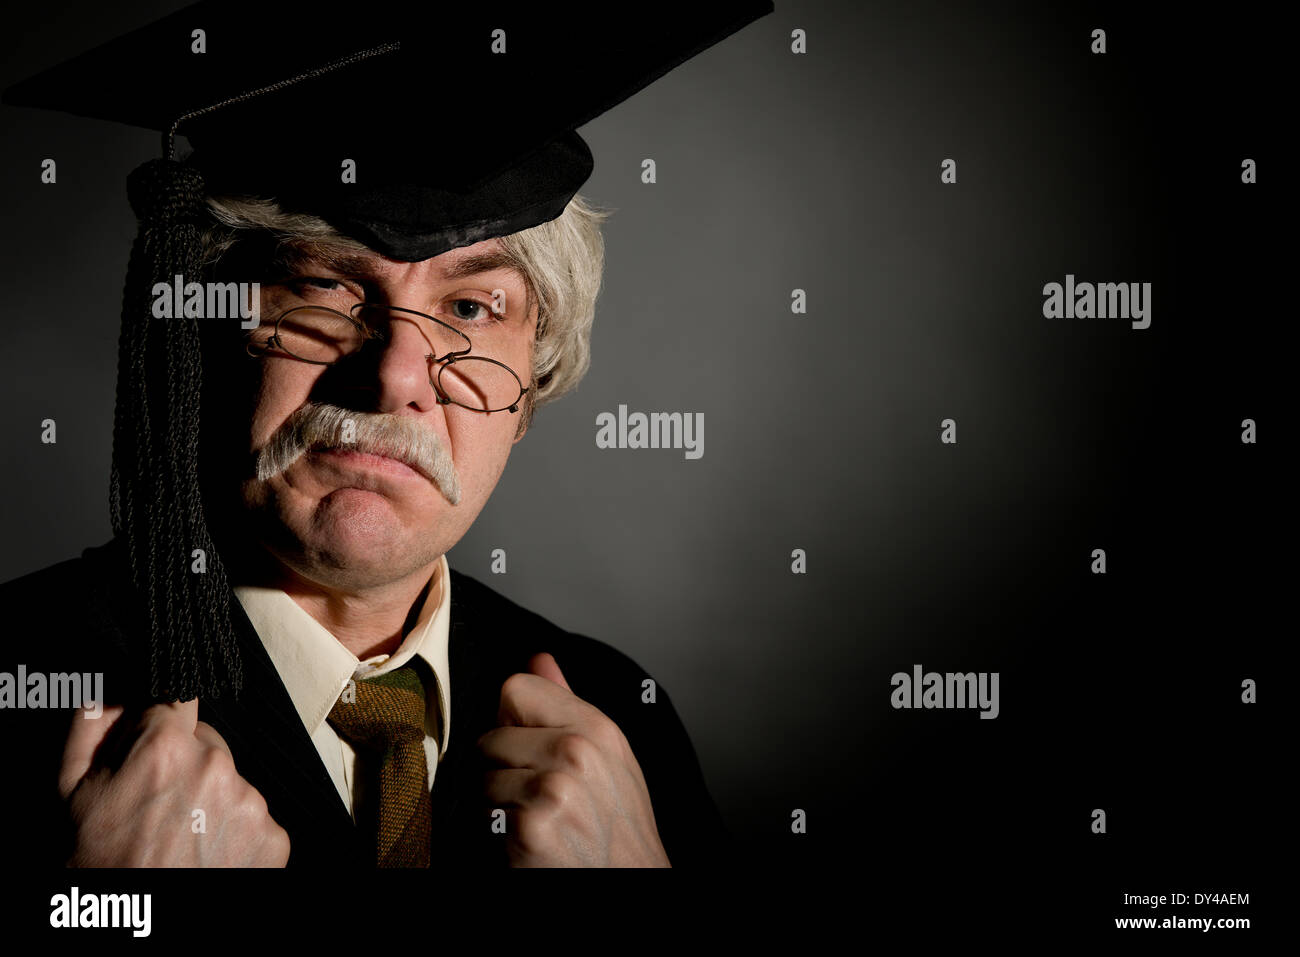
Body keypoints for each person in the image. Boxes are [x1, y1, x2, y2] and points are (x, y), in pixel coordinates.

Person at [0, 0, 773, 868]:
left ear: (531, 390)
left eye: (471, 307)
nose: (396, 374)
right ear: (201, 336)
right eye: (323, 291)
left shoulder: (617, 720)